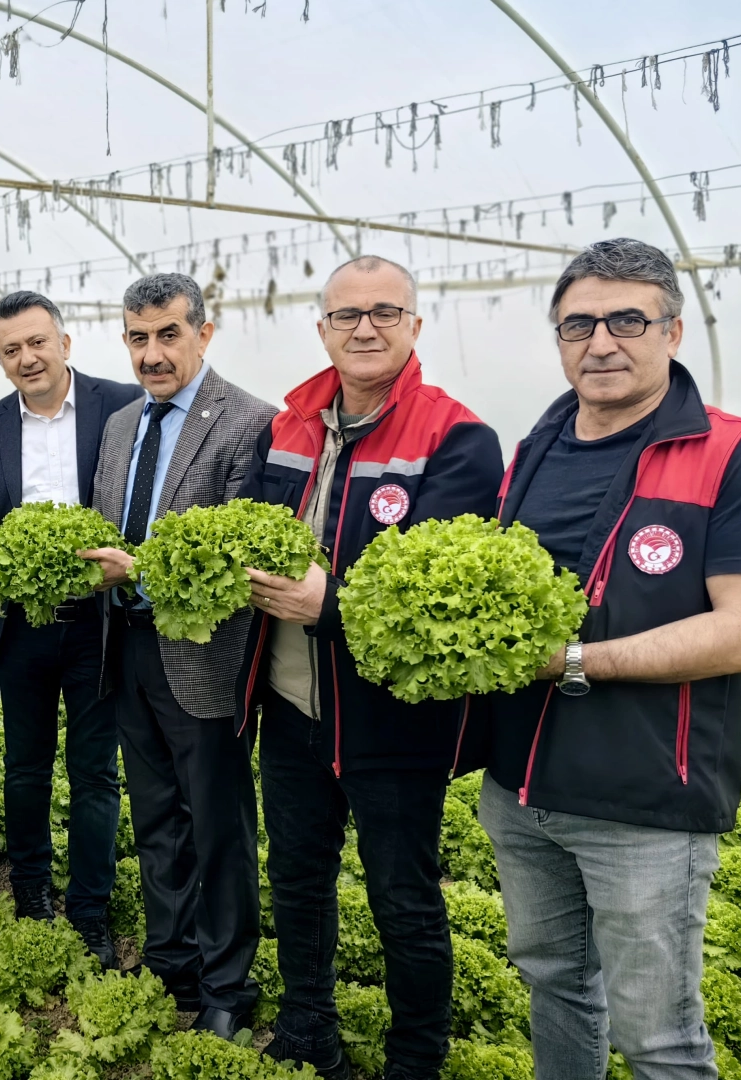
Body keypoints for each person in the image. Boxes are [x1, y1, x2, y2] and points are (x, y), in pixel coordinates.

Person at [469, 238, 741, 1079]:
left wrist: (574, 659)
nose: (600, 342)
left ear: (672, 331)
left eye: (626, 319)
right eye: (577, 323)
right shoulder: (535, 447)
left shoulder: (732, 454)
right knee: (553, 985)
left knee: (659, 1038)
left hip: (642, 801)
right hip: (520, 788)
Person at [234, 255, 504, 1079]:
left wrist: (334, 606)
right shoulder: (286, 427)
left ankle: (413, 1061)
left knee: (404, 901)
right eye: (346, 314)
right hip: (287, 703)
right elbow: (240, 531)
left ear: (414, 327)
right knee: (298, 881)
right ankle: (306, 1030)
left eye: (385, 312)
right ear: (322, 328)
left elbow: (447, 602)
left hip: (391, 722)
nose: (364, 327)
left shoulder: (456, 438)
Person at [78, 272, 276, 1041]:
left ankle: (228, 986)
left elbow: (235, 564)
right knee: (156, 817)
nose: (151, 353)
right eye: (137, 338)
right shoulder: (124, 425)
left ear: (203, 332)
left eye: (166, 334)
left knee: (217, 823)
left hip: (202, 658)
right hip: (125, 647)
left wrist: (140, 571)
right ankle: (172, 962)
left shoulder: (247, 423)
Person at [0, 291, 142, 965]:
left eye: (37, 343)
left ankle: (90, 907)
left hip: (100, 624)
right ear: (0, 359)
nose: (26, 358)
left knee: (95, 770)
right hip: (22, 626)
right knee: (28, 764)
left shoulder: (119, 403)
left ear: (64, 344)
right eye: (11, 349)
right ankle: (33, 890)